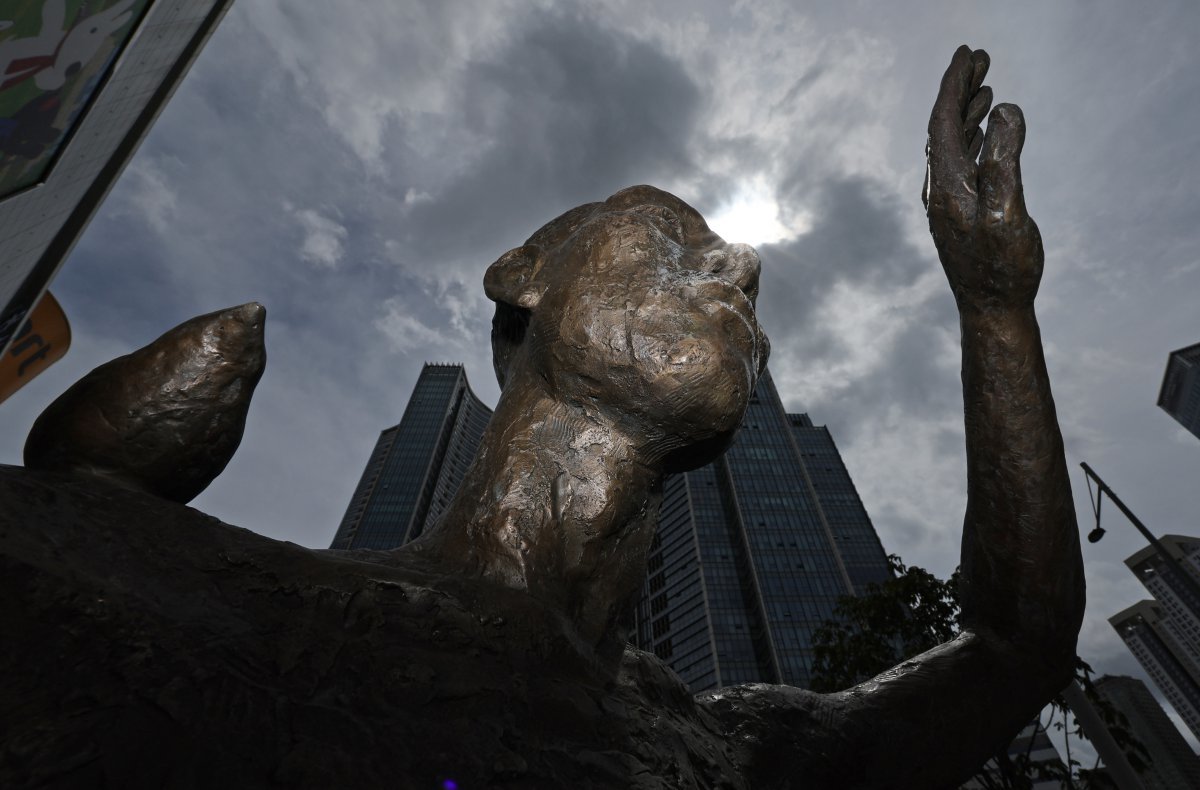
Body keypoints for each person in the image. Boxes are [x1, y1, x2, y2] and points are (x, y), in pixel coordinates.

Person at [0, 46, 1082, 788]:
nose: (741, 264)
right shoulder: (198, 595)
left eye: (737, 265)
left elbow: (1010, 650)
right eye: (667, 233)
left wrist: (994, 309)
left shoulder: (724, 748)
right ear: (524, 275)